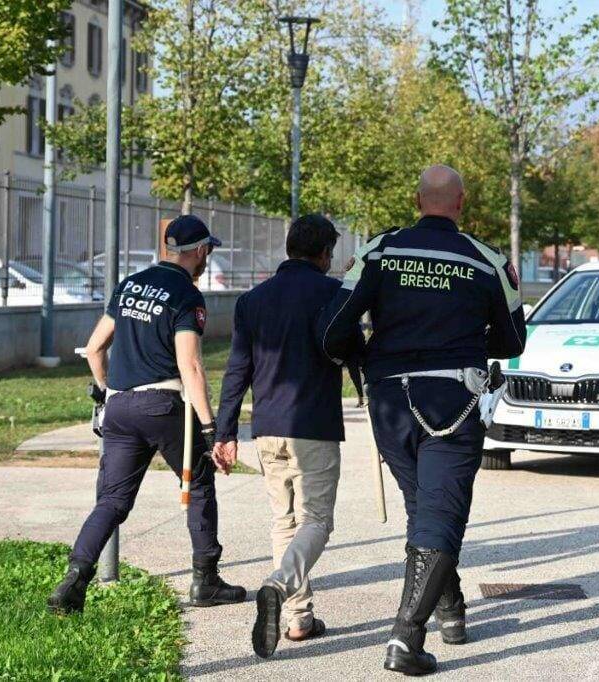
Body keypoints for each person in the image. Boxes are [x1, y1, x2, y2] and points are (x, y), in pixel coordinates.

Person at [317, 165, 527, 675]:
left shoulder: (379, 250)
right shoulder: (487, 260)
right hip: (452, 401)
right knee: (440, 512)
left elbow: (332, 331)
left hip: (390, 403)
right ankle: (406, 639)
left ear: (417, 200)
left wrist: (364, 358)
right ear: (460, 203)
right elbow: (512, 342)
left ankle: (450, 612)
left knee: (424, 506)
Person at [47, 215, 246, 614]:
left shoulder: (129, 284)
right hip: (163, 404)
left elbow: (95, 347)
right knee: (200, 482)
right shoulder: (187, 296)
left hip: (120, 407)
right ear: (201, 251)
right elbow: (190, 366)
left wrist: (106, 394)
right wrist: (210, 431)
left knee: (113, 501)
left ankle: (75, 577)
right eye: (209, 251)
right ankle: (205, 581)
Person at [213, 214, 362, 658]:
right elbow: (352, 348)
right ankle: (278, 587)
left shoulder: (252, 300)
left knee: (284, 520)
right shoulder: (334, 295)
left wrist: (224, 432)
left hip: (267, 429)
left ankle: (298, 620)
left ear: (289, 247)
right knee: (317, 521)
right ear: (324, 253)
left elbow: (237, 369)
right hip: (313, 427)